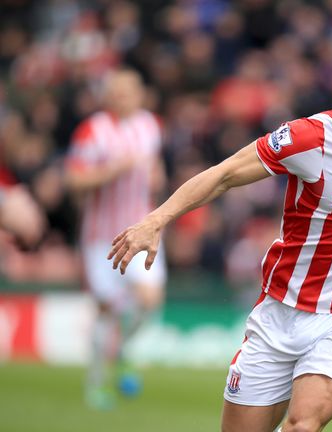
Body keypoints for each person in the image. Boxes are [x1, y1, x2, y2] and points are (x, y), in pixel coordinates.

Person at [108, 48, 332, 432]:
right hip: (280, 312)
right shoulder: (308, 137)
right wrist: (157, 219)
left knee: (301, 425)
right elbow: (225, 173)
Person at [65, 68, 168, 410]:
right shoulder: (93, 130)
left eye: (130, 92)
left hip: (141, 228)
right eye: (118, 92)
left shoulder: (149, 126)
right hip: (101, 237)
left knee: (150, 299)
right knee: (107, 308)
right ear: (108, 96)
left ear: (139, 95)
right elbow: (74, 181)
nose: (124, 98)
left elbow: (155, 168)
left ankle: (122, 347)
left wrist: (156, 175)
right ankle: (95, 384)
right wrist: (113, 170)